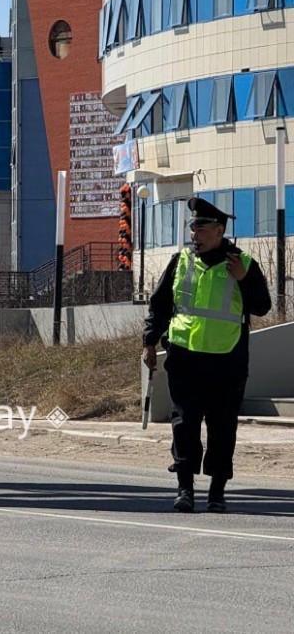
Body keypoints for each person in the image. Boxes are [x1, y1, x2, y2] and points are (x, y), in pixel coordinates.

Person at [143, 196, 271, 513]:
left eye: (200, 228)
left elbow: (262, 306)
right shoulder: (181, 261)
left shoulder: (244, 264)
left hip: (227, 360)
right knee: (184, 424)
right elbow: (159, 305)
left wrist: (243, 279)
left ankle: (217, 492)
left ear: (218, 230)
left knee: (222, 427)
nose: (194, 234)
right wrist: (149, 341)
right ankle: (185, 489)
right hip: (185, 357)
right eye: (192, 228)